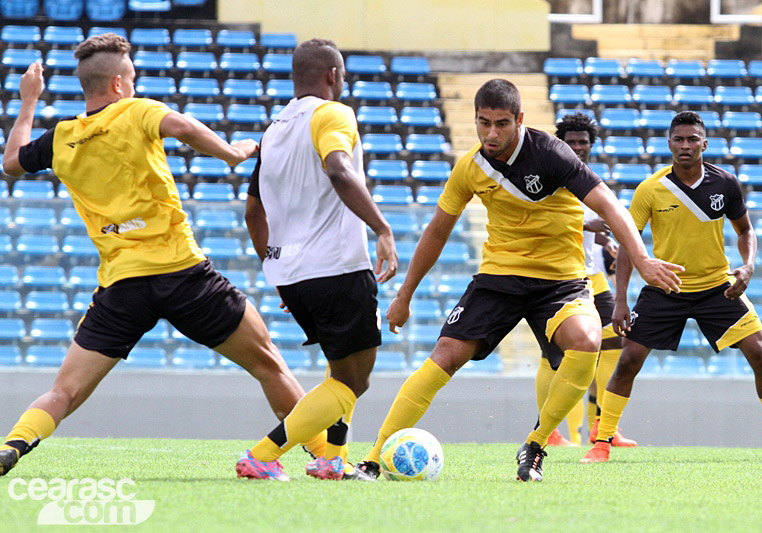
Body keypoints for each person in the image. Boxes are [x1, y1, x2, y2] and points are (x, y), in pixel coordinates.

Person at [0, 34, 329, 477]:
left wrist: (28, 101)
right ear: (118, 84)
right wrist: (235, 153)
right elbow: (186, 129)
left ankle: (14, 443)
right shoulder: (138, 111)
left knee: (64, 392)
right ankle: (327, 457)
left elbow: (11, 162)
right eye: (131, 78)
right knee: (268, 363)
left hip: (121, 286)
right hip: (184, 275)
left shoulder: (62, 138)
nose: (133, 86)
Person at [352, 79, 683, 483]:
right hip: (499, 278)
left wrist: (644, 260)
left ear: (519, 120)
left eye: (502, 124)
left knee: (587, 341)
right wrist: (404, 295)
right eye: (483, 122)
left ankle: (536, 445)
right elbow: (437, 231)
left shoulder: (553, 154)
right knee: (445, 354)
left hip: (560, 281)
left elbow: (609, 204)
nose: (491, 133)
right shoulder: (470, 167)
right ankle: (371, 459)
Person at [581, 111, 762, 464]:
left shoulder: (724, 184)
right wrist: (620, 300)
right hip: (667, 288)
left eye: (692, 139)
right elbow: (629, 243)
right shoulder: (651, 188)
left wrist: (748, 266)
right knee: (628, 360)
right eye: (678, 139)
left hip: (717, 287)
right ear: (669, 144)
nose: (685, 145)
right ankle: (602, 443)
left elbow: (746, 231)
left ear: (704, 144)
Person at [240, 38, 398, 482]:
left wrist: (279, 270)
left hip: (293, 272)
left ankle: (331, 458)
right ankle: (263, 454)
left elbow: (253, 211)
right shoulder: (333, 114)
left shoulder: (273, 131)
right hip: (338, 266)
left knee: (339, 364)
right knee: (354, 379)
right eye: (342, 75)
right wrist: (383, 229)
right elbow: (339, 169)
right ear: (332, 75)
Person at [543, 113, 637, 448]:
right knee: (553, 355)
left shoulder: (590, 179)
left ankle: (601, 425)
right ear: (561, 143)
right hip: (557, 275)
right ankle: (551, 431)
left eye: (584, 142)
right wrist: (588, 226)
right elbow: (541, 218)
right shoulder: (548, 173)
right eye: (572, 141)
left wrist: (606, 245)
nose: (579, 147)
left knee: (617, 337)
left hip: (591, 273)